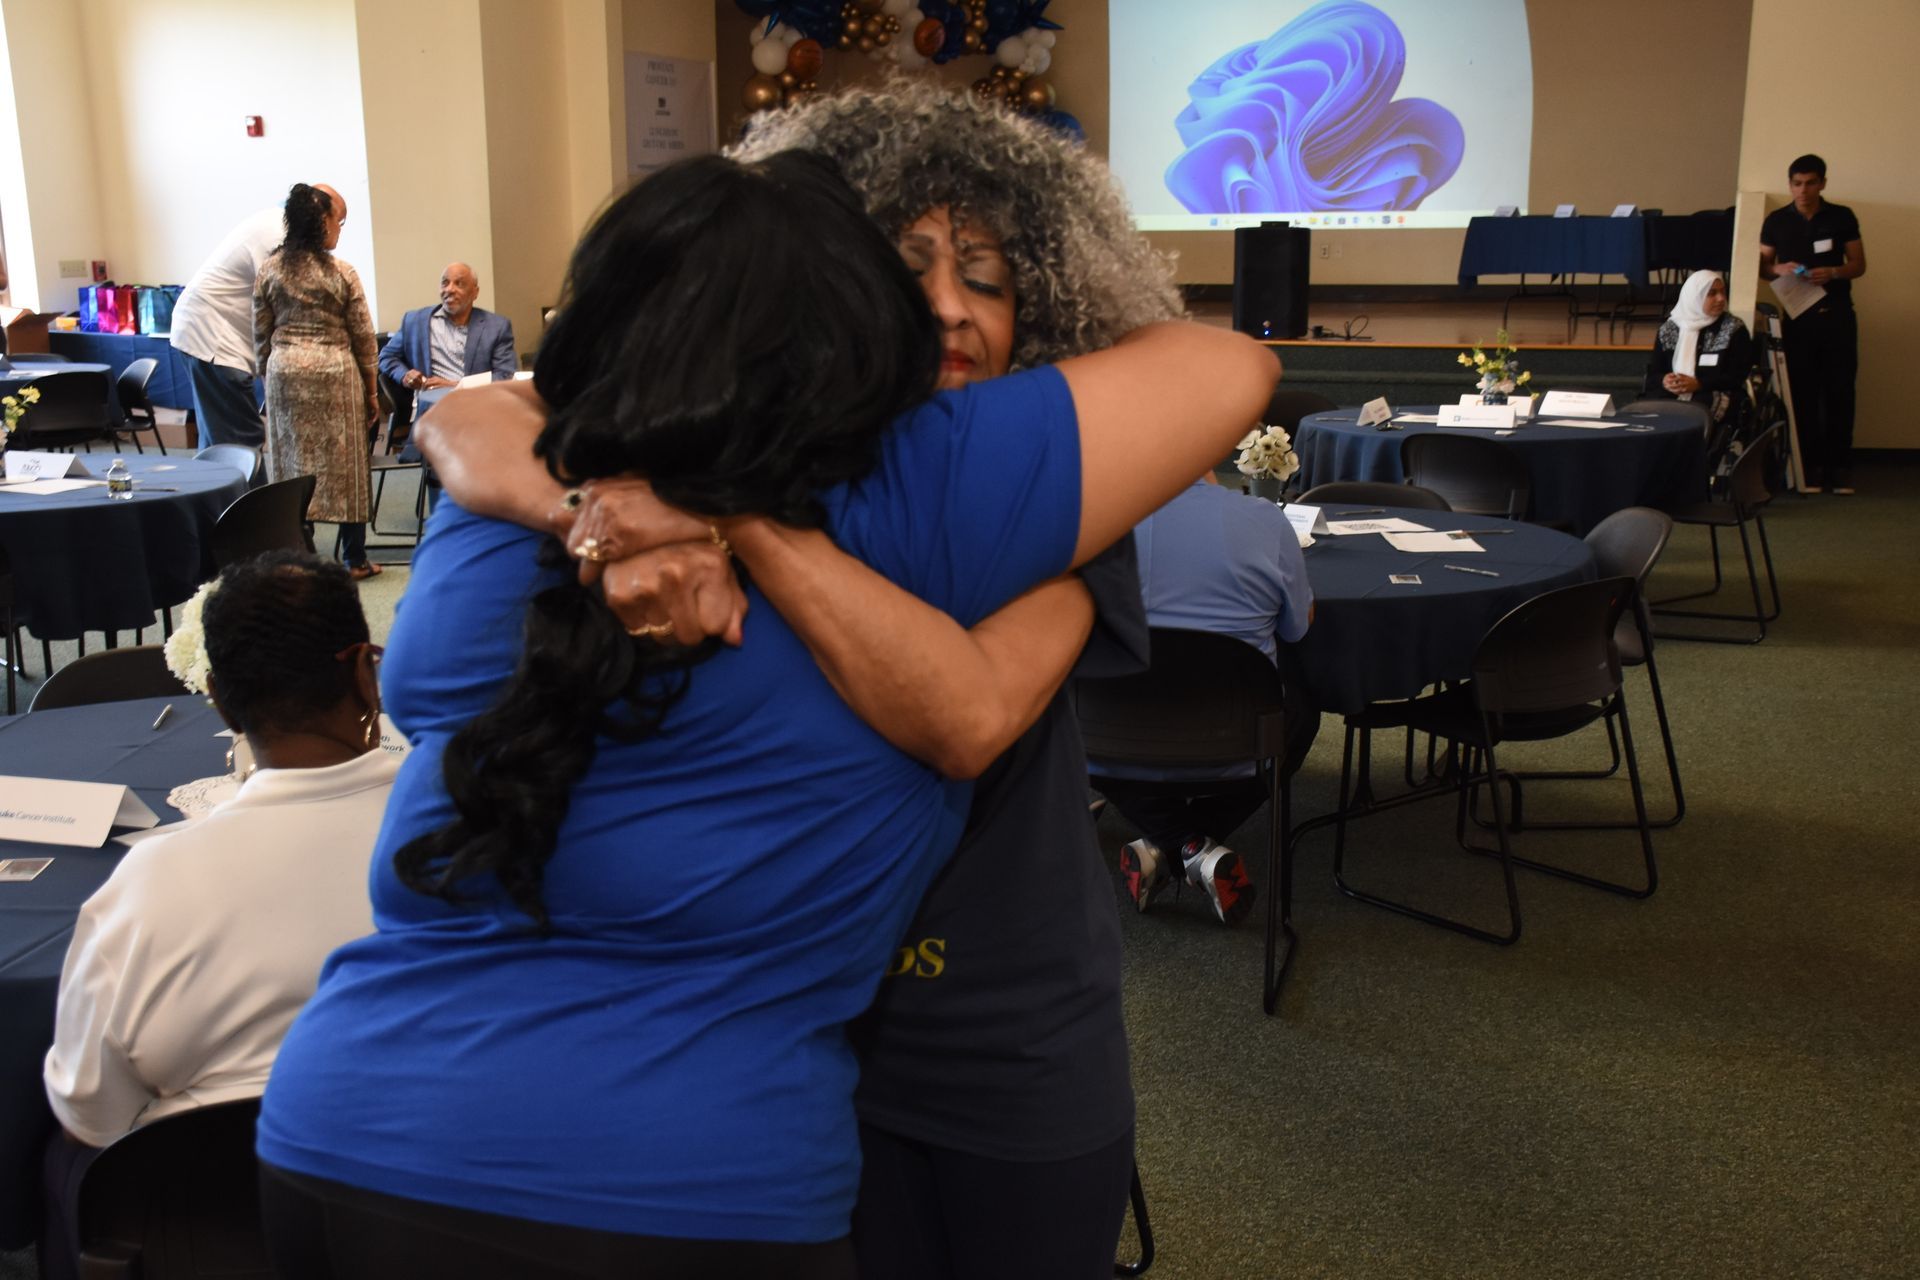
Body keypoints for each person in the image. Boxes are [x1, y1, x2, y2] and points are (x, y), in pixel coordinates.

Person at [255, 147, 1273, 1279]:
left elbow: (477, 414)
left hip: (344, 1131)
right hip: (675, 1186)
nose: (941, 307)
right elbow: (1227, 365)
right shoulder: (925, 484)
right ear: (856, 328)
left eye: (981, 274)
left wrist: (691, 508)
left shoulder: (512, 499)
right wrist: (680, 509)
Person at [39, 551, 394, 1280]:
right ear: (366, 670)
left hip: (207, 1230)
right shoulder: (473, 822)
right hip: (439, 1206)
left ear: (221, 704)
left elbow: (89, 1111)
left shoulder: (153, 885)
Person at [1091, 470, 1315, 925]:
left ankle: (1170, 841)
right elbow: (1298, 628)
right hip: (1235, 744)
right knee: (1302, 712)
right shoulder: (1264, 520)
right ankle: (1194, 845)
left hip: (1104, 743)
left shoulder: (1090, 520)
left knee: (1065, 714)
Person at [253, 183, 382, 578]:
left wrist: (267, 372)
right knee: (348, 463)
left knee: (291, 465)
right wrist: (372, 390)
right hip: (335, 374)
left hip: (286, 375)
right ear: (322, 222)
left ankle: (298, 557)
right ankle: (355, 559)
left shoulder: (270, 270)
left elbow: (261, 330)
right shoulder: (341, 272)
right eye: (336, 221)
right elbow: (362, 334)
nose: (339, 229)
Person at [173, 184, 343, 449]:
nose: (337, 234)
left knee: (220, 441)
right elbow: (287, 310)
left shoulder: (279, 225)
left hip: (207, 330)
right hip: (215, 337)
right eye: (339, 222)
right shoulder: (278, 236)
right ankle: (249, 492)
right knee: (239, 441)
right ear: (322, 214)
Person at [1759, 154, 1866, 493]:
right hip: (1797, 316)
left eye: (1809, 183)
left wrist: (1833, 272)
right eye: (1796, 183)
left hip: (1836, 314)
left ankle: (1840, 466)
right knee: (1802, 392)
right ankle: (1811, 467)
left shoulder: (1841, 216)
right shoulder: (1776, 220)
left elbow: (1859, 264)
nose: (1802, 190)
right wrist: (1778, 269)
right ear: (1790, 185)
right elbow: (1763, 266)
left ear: (1822, 184)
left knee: (1840, 390)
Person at [1639, 270, 1754, 429]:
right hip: (1674, 393)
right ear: (1695, 297)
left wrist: (1699, 384)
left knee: (1697, 410)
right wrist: (1665, 380)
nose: (1720, 298)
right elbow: (1653, 375)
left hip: (1715, 392)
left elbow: (1736, 376)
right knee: (1647, 409)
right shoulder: (1669, 329)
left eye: (1722, 292)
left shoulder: (1733, 328)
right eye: (1712, 293)